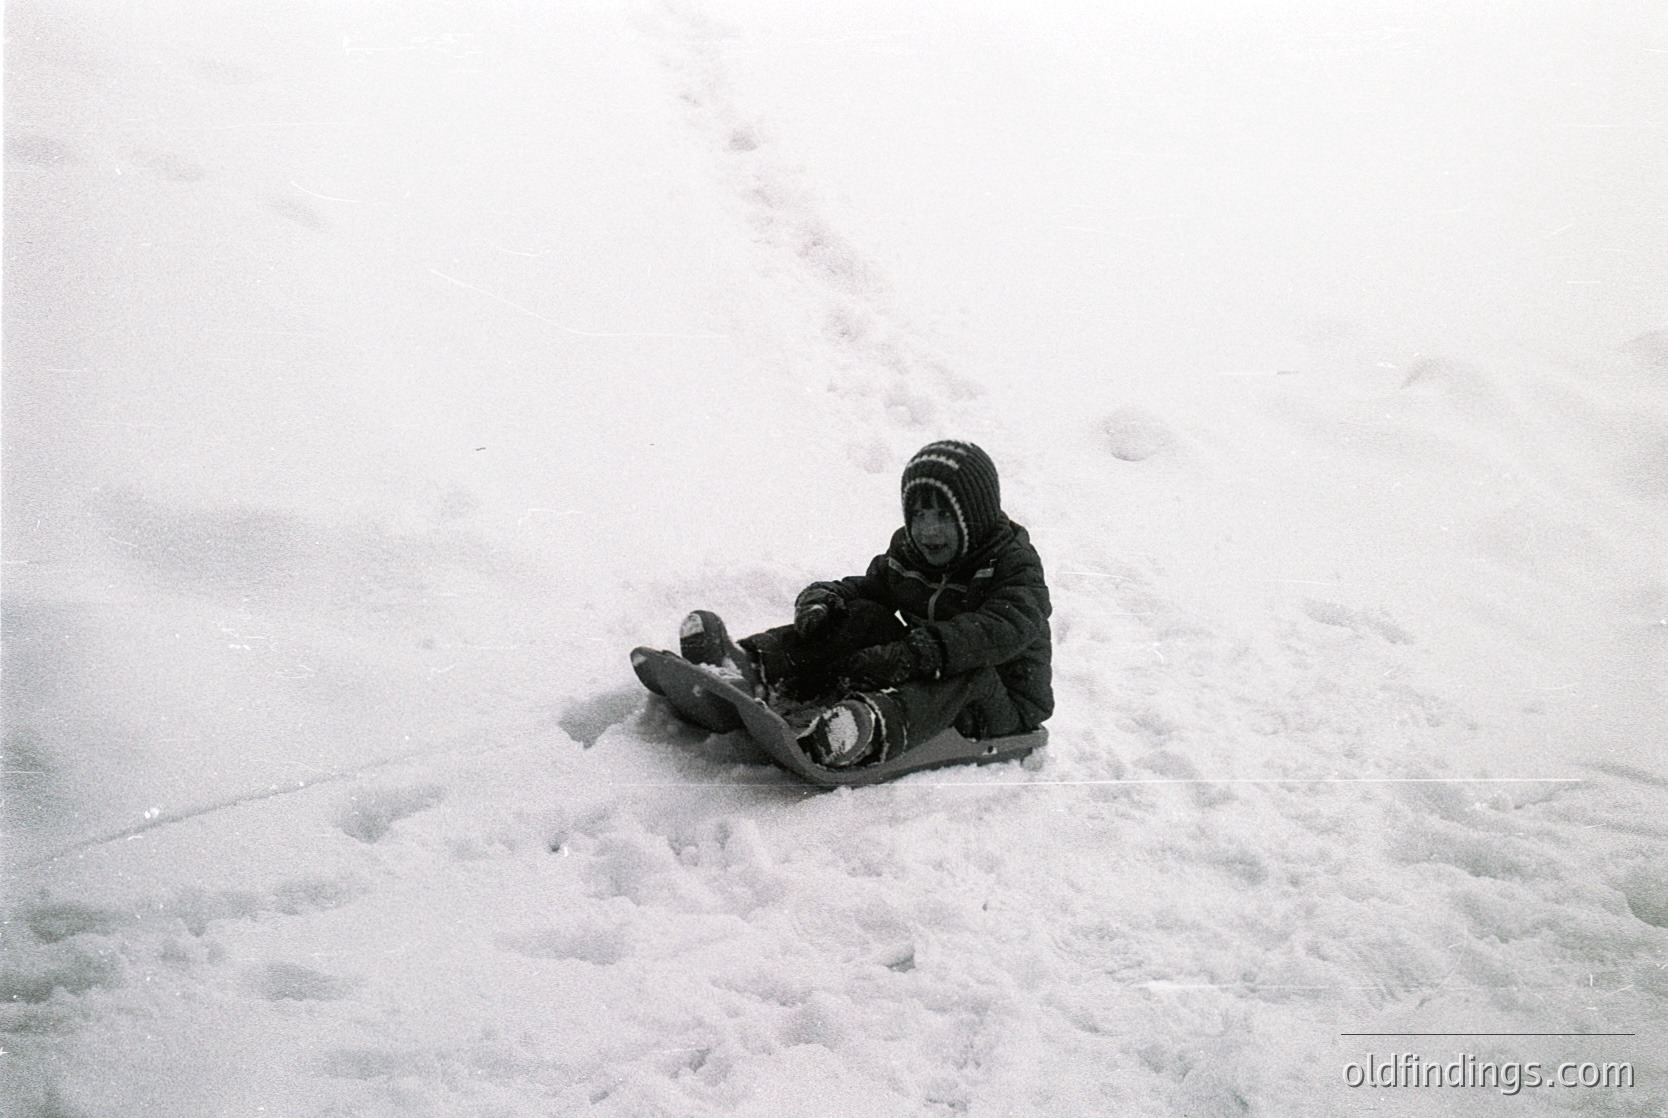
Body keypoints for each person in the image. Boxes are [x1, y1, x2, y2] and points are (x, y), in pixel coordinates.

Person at [679, 440, 1053, 768]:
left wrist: (913, 654)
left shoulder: (1012, 564)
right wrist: (829, 600)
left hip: (1000, 704)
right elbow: (872, 589)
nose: (928, 531)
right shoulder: (911, 552)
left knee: (967, 670)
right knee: (863, 616)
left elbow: (998, 630)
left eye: (943, 516)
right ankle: (751, 666)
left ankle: (866, 730)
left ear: (975, 517)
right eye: (918, 515)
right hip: (930, 673)